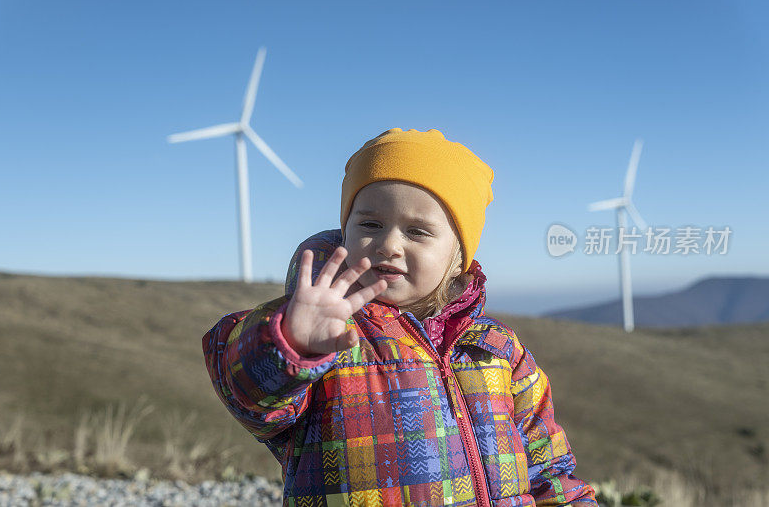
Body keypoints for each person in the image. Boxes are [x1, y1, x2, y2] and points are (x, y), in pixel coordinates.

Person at [203, 128, 598, 506]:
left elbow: (550, 472)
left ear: (458, 255)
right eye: (370, 224)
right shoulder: (329, 339)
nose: (389, 244)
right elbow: (252, 399)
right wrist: (290, 343)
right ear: (346, 232)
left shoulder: (499, 351)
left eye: (418, 232)